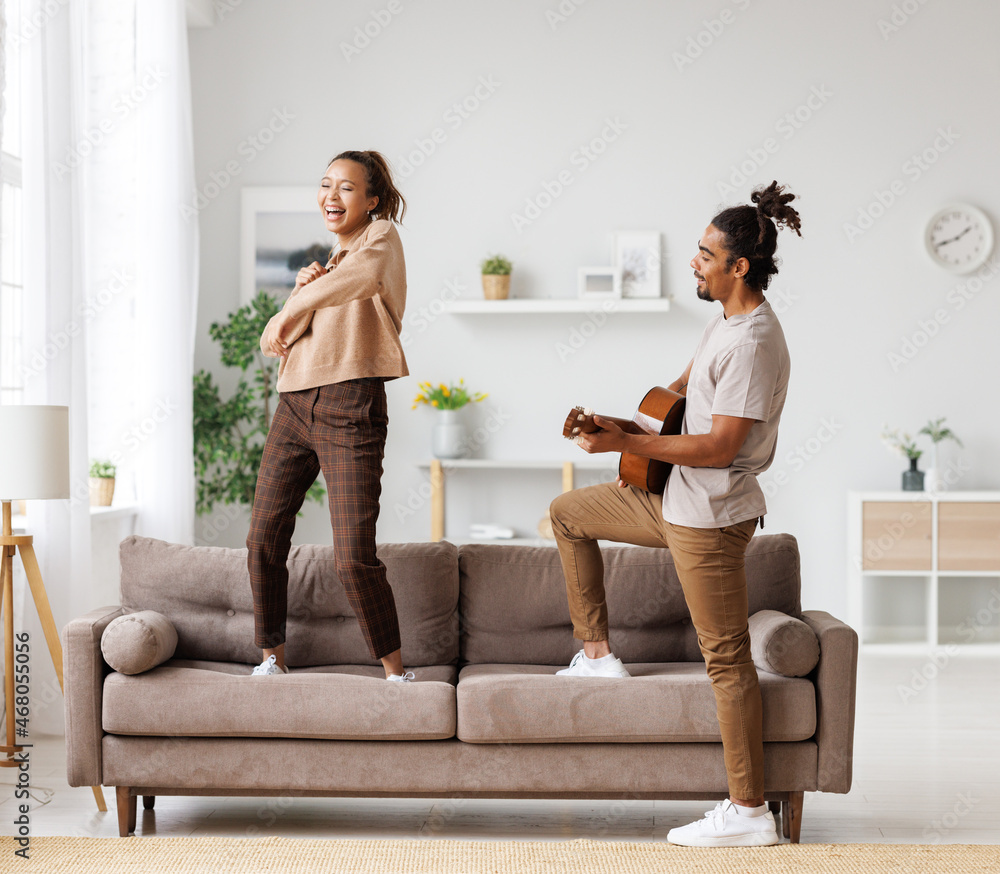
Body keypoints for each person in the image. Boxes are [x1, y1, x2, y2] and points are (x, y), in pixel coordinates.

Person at [550, 181, 801, 847]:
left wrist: (626, 443)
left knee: (726, 660)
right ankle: (598, 654)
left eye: (703, 253)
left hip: (709, 518)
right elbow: (680, 406)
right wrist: (620, 424)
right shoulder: (723, 323)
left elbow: (720, 448)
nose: (694, 261)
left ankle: (749, 814)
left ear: (737, 267)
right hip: (674, 497)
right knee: (568, 513)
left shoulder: (751, 341)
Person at [246, 150, 413, 682]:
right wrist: (301, 293)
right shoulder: (327, 267)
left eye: (346, 187)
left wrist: (297, 302)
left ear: (372, 200)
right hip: (294, 404)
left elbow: (360, 280)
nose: (331, 196)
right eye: (325, 185)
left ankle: (395, 673)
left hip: (349, 405)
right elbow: (279, 341)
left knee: (352, 556)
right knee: (263, 539)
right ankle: (271, 658)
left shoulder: (380, 240)